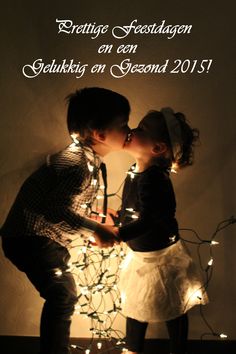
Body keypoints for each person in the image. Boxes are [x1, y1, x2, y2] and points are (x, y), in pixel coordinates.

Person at [0, 87, 130, 354]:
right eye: (123, 124)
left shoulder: (86, 160)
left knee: (64, 293)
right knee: (63, 294)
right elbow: (54, 209)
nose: (129, 130)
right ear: (100, 134)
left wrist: (98, 218)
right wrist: (95, 229)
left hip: (39, 238)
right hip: (30, 238)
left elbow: (66, 205)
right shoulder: (78, 165)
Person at [115, 109, 209, 354]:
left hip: (162, 259)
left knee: (173, 306)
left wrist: (117, 235)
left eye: (142, 129)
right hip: (141, 257)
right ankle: (133, 349)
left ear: (157, 148)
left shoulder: (154, 179)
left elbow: (148, 220)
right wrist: (115, 219)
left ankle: (177, 349)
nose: (132, 131)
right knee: (136, 304)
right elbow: (131, 210)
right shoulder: (135, 171)